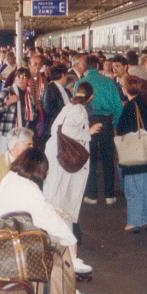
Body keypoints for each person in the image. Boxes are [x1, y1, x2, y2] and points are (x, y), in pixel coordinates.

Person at [0, 149, 89, 294]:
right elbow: (48, 219)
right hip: (22, 241)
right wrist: (71, 240)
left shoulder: (10, 178)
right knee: (63, 239)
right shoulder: (30, 188)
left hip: (0, 234)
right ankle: (69, 288)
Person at [43, 81, 101, 254]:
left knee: (55, 195)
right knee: (63, 199)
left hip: (57, 155)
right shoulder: (79, 110)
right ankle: (61, 243)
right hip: (66, 160)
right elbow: (68, 132)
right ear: (91, 97)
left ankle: (55, 239)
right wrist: (87, 133)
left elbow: (55, 129)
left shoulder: (68, 106)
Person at [74, 54, 123, 205]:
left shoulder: (80, 83)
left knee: (90, 158)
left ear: (86, 66)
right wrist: (113, 122)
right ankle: (109, 195)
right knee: (108, 158)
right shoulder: (109, 82)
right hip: (106, 122)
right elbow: (118, 106)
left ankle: (91, 194)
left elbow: (76, 106)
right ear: (98, 66)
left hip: (88, 122)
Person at [117, 76, 147, 234]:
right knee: (146, 188)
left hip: (133, 154)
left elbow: (121, 129)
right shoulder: (143, 103)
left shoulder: (130, 106)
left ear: (127, 89)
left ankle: (134, 222)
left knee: (133, 188)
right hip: (146, 152)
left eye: (123, 86)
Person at [0, 67, 38, 155]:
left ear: (28, 80)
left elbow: (33, 116)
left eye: (24, 77)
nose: (21, 79)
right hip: (7, 133)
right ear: (15, 78)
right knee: (4, 160)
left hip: (22, 134)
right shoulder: (7, 91)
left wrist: (34, 111)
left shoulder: (29, 97)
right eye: (19, 77)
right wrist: (8, 102)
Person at [40, 64, 71, 142]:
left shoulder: (65, 89)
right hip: (54, 126)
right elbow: (48, 109)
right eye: (66, 75)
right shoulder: (50, 89)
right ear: (63, 75)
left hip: (64, 125)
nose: (67, 78)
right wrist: (63, 116)